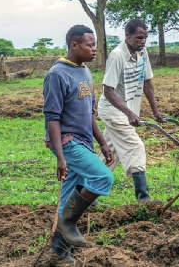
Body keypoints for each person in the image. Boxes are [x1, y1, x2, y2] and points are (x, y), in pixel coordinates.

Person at [43, 25, 114, 263]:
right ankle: (69, 222)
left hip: (84, 141)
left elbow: (89, 113)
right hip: (68, 142)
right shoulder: (57, 74)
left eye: (95, 45)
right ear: (74, 45)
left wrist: (102, 143)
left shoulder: (84, 71)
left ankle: (59, 254)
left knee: (68, 196)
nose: (95, 50)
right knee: (103, 177)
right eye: (89, 45)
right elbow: (52, 117)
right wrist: (61, 158)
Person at [97, 19, 166, 202]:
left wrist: (155, 111)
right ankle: (143, 197)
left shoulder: (142, 53)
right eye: (138, 38)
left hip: (125, 111)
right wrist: (129, 113)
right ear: (127, 35)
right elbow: (108, 91)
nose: (142, 42)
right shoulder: (117, 56)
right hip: (112, 111)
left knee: (112, 151)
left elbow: (147, 83)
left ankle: (84, 190)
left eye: (145, 38)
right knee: (135, 146)